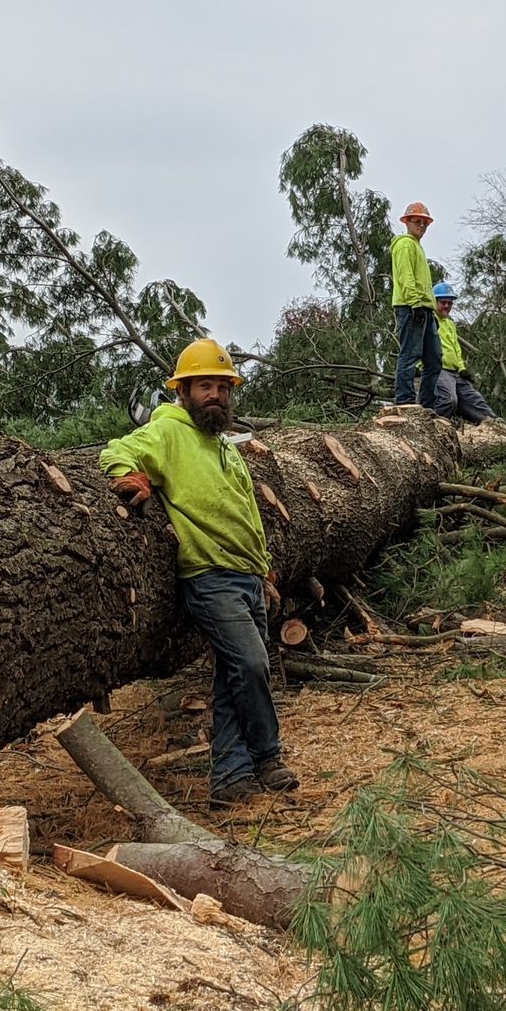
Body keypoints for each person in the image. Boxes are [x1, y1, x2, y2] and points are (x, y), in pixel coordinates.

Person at [101, 338, 297, 807]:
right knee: (252, 664)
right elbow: (117, 451)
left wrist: (265, 571)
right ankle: (267, 754)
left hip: (247, 575)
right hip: (210, 574)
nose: (215, 395)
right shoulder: (168, 432)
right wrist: (133, 478)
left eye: (222, 388)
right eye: (204, 386)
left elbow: (249, 512)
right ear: (183, 392)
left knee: (234, 675)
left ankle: (231, 776)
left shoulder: (226, 448)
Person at [389, 201, 442, 409]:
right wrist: (415, 303)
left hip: (425, 309)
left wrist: (427, 308)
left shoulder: (417, 247)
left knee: (434, 358)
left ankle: (428, 405)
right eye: (418, 221)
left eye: (425, 222)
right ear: (407, 222)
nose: (422, 225)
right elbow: (405, 277)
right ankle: (404, 401)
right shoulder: (404, 244)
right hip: (411, 307)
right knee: (409, 355)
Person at [429, 282, 493, 424]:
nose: (447, 306)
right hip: (439, 369)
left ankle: (497, 426)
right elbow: (420, 345)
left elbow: (456, 348)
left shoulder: (450, 324)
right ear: (434, 301)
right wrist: (421, 365)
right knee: (448, 399)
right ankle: (437, 427)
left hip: (454, 371)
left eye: (450, 303)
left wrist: (462, 367)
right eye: (443, 302)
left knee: (475, 400)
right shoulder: (429, 320)